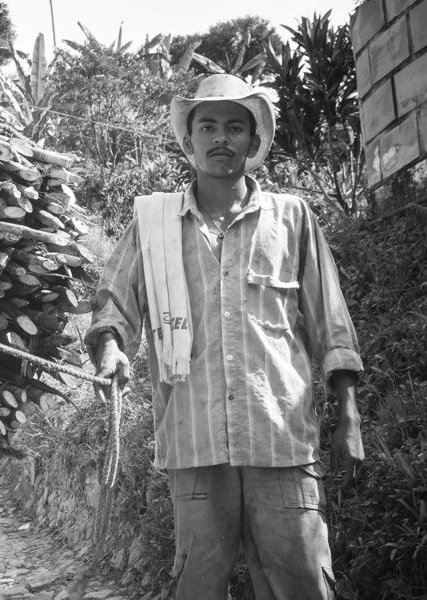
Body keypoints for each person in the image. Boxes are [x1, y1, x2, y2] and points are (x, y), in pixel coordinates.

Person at [84, 74, 364, 600]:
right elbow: (114, 303)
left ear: (253, 142)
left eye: (235, 127)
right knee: (199, 586)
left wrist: (348, 413)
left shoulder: (293, 218)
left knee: (302, 582)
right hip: (195, 442)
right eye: (207, 126)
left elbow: (331, 320)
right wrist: (110, 348)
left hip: (280, 441)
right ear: (188, 141)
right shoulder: (153, 223)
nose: (220, 138)